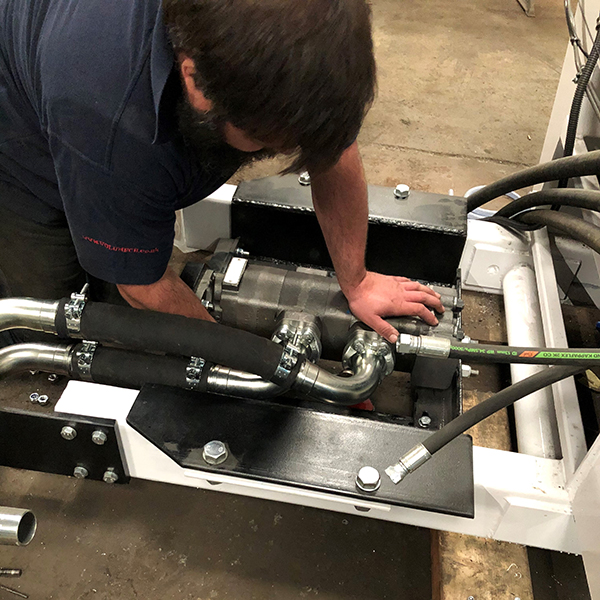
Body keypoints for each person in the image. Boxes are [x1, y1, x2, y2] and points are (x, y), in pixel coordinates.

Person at [0, 0, 443, 346]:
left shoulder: (307, 43)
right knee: (48, 325)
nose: (288, 153)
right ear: (195, 82)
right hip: (21, 142)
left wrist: (358, 281)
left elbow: (332, 146)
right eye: (269, 139)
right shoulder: (108, 116)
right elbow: (142, 285)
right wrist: (244, 360)